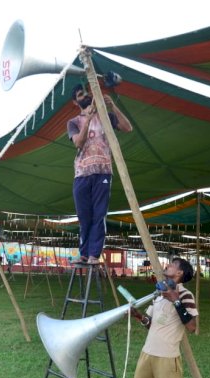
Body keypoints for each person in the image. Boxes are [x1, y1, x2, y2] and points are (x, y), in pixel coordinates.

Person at [67, 83, 133, 264]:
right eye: (81, 94)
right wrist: (87, 119)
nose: (86, 95)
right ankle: (83, 253)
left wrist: (112, 106)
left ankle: (94, 255)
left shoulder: (106, 117)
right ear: (75, 102)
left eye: (86, 92)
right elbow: (78, 143)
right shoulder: (73, 122)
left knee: (99, 214)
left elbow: (128, 128)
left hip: (103, 172)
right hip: (81, 174)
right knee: (84, 216)